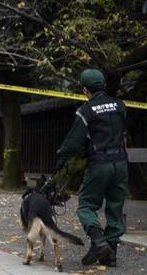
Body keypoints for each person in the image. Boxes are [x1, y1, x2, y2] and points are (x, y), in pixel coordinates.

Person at [56, 69, 128, 267]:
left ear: (85, 89)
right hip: (121, 163)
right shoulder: (120, 105)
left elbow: (73, 143)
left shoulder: (86, 110)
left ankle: (98, 242)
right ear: (103, 85)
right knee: (115, 206)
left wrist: (61, 158)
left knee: (86, 205)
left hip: (99, 164)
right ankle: (110, 255)